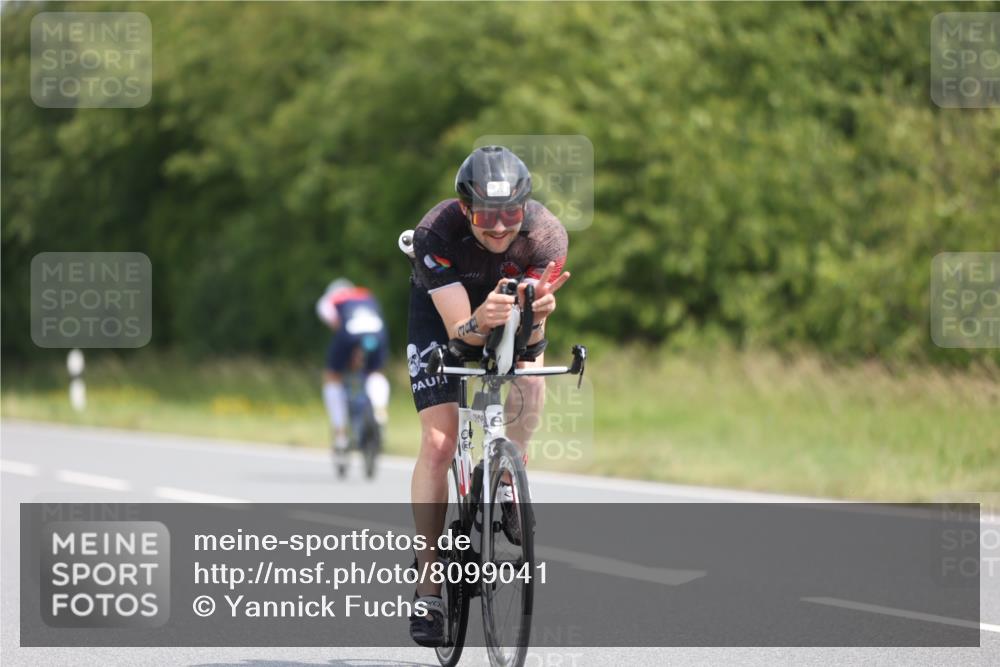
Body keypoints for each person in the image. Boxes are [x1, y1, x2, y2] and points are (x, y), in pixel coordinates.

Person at [406, 146, 571, 646]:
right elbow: (461, 334)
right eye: (485, 215)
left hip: (510, 313)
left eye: (510, 214)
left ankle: (507, 480)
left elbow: (533, 339)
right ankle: (430, 582)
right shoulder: (436, 232)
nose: (499, 228)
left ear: (525, 208)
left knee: (532, 383)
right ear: (463, 209)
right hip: (445, 314)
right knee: (439, 442)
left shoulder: (546, 236)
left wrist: (539, 314)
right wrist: (480, 320)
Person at [316, 279, 390, 468]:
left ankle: (340, 435)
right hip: (376, 334)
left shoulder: (330, 299)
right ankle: (380, 411)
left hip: (349, 334)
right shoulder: (366, 294)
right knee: (375, 372)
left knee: (332, 378)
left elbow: (332, 320)